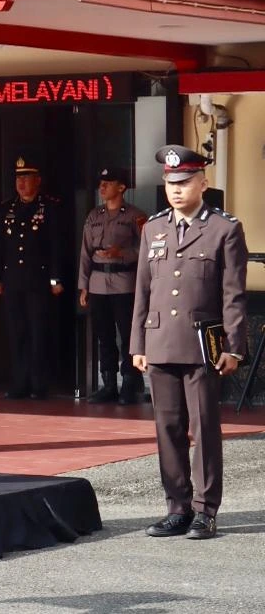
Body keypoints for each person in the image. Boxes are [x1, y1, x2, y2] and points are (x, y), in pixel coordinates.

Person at [131, 144, 247, 541]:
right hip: (159, 339)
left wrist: (234, 346)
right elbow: (142, 291)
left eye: (184, 182)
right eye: (170, 182)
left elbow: (233, 293)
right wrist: (137, 344)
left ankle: (205, 510)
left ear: (203, 182)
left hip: (203, 344)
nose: (177, 190)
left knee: (204, 427)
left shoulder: (223, 228)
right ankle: (177, 507)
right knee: (168, 428)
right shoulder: (153, 228)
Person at [0, 157, 64, 400]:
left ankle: (38, 383)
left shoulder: (49, 208)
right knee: (17, 332)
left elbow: (56, 246)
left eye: (26, 178)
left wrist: (56, 278)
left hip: (38, 280)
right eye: (18, 179)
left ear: (38, 181)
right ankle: (20, 382)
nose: (21, 184)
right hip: (13, 281)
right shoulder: (7, 208)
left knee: (38, 332)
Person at [77, 167, 148, 404]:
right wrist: (84, 285)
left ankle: (130, 382)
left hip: (124, 283)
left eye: (108, 183)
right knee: (103, 335)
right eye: (101, 183)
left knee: (128, 335)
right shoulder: (94, 216)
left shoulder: (135, 216)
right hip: (97, 283)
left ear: (121, 187)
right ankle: (108, 383)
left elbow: (147, 249)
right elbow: (85, 253)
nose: (102, 187)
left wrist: (123, 253)